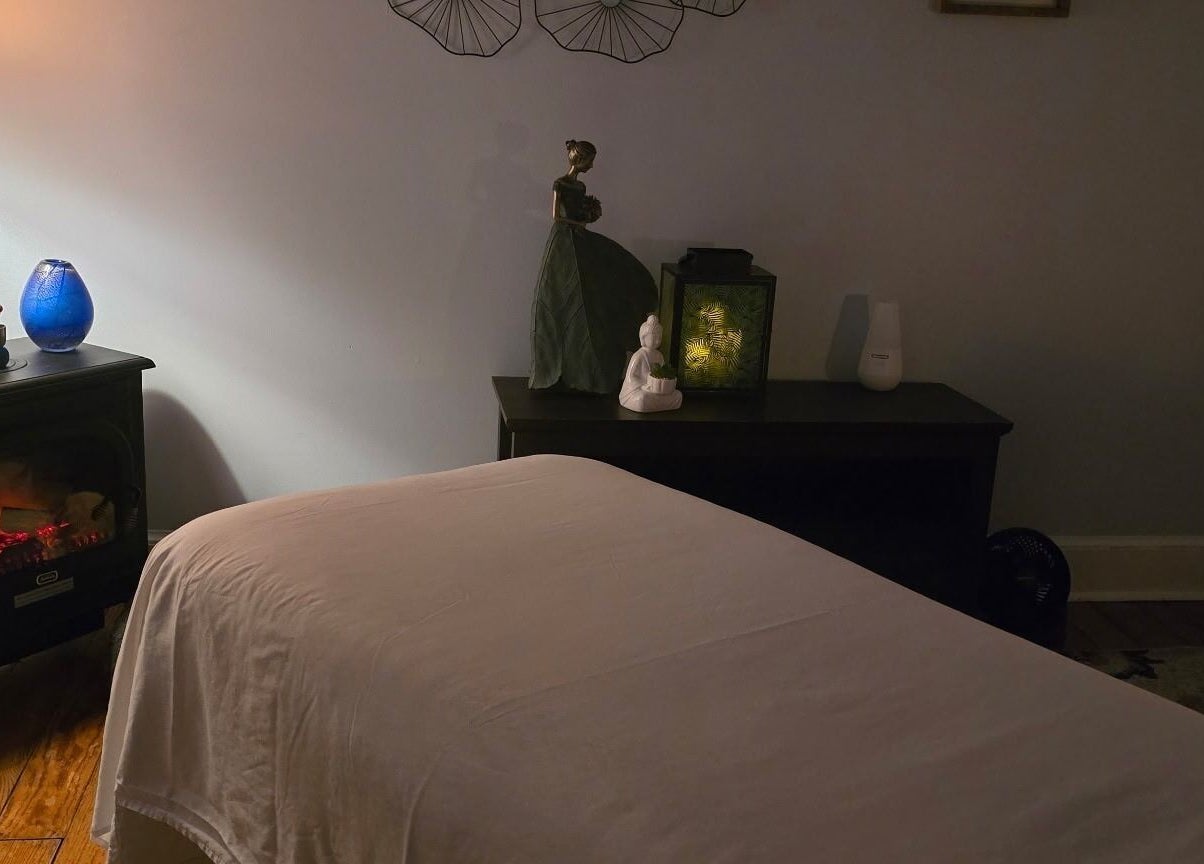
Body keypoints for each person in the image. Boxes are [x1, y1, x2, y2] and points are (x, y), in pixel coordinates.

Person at [529, 140, 657, 393]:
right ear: (580, 160)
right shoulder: (561, 184)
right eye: (590, 160)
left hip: (579, 237)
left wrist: (588, 215)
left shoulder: (580, 186)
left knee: (595, 287)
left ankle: (593, 367)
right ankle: (554, 368)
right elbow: (556, 216)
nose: (592, 165)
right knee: (562, 293)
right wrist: (578, 219)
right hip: (564, 241)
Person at [619, 315, 682, 413]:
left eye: (659, 337)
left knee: (677, 396)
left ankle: (660, 404)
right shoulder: (639, 355)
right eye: (654, 336)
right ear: (644, 337)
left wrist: (664, 384)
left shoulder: (659, 355)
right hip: (638, 390)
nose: (657, 340)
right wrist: (645, 385)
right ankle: (650, 404)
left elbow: (662, 374)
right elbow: (630, 377)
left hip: (656, 391)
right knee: (642, 399)